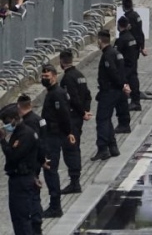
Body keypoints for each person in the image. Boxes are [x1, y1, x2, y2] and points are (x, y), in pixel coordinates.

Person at [1, 101, 42, 235]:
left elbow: (14, 156)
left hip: (22, 179)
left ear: (15, 119)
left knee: (22, 218)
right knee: (19, 217)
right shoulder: (20, 132)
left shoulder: (24, 134)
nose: (5, 124)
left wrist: (2, 140)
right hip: (22, 178)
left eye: (6, 121)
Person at [38, 66, 73, 218]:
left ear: (54, 76)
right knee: (49, 171)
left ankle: (55, 206)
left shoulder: (57, 94)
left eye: (47, 76)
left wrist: (68, 132)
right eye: (43, 76)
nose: (44, 78)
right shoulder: (51, 93)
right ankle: (54, 204)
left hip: (53, 136)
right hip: (49, 136)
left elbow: (64, 116)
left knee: (51, 171)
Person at [92, 28, 129, 161]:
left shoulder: (107, 55)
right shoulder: (116, 52)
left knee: (101, 119)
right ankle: (113, 147)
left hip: (109, 91)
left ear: (100, 41)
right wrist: (124, 85)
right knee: (107, 119)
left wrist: (121, 85)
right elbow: (122, 71)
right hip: (117, 91)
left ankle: (103, 148)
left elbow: (113, 73)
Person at [56, 51, 87, 194]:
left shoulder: (67, 79)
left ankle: (75, 182)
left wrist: (81, 112)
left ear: (62, 62)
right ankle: (75, 181)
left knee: (71, 149)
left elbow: (72, 99)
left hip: (72, 118)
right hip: (78, 118)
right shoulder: (80, 75)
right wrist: (86, 111)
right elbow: (88, 95)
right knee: (75, 148)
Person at [121, 0, 147, 105]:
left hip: (130, 49)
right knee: (133, 72)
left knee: (130, 74)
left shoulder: (128, 18)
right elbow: (140, 32)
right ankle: (134, 95)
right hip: (135, 48)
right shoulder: (136, 15)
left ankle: (134, 97)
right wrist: (142, 46)